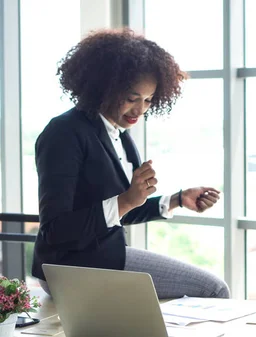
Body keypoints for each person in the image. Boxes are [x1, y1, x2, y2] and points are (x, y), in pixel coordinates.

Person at [31, 28, 230, 299]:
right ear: (104, 87)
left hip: (103, 256)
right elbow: (55, 230)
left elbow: (118, 211)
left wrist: (177, 200)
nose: (140, 110)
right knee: (215, 290)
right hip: (71, 267)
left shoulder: (119, 135)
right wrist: (126, 200)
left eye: (148, 100)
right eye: (131, 98)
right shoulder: (64, 133)